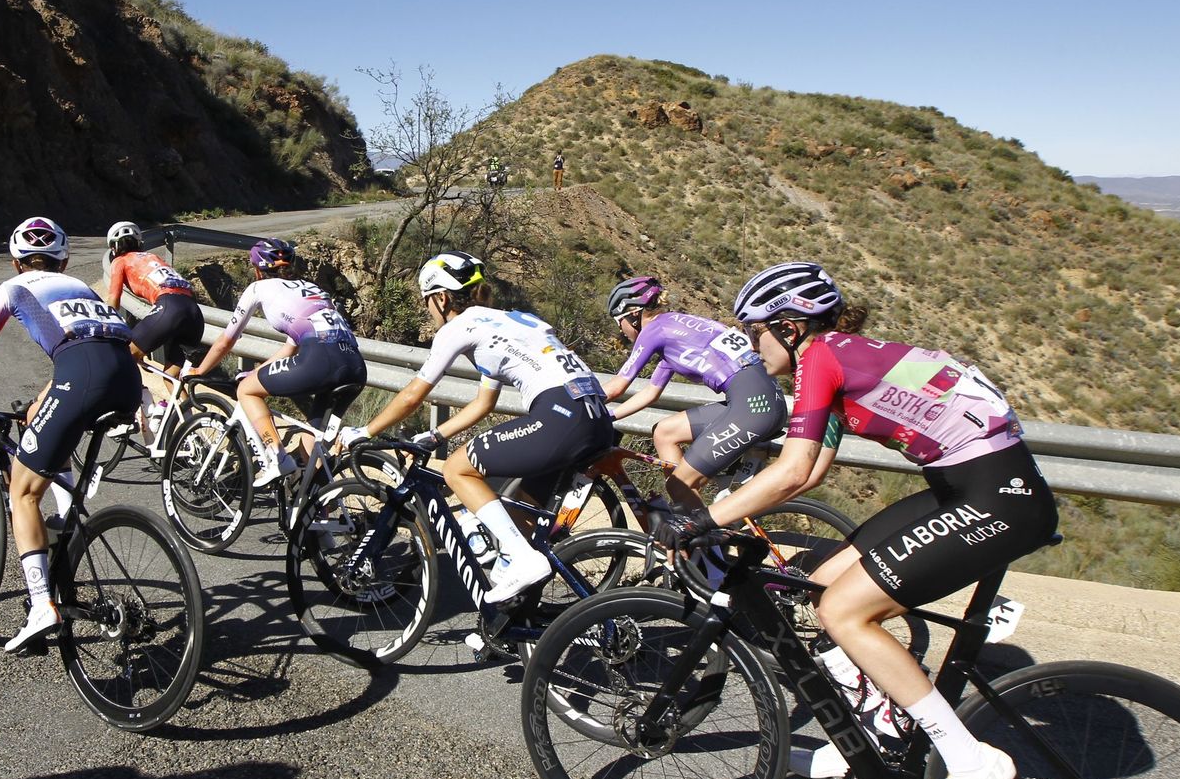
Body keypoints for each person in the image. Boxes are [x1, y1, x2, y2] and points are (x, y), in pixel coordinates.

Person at [656, 261, 1058, 779]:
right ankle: (867, 728)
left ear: (789, 328)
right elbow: (812, 468)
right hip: (968, 485)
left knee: (844, 613)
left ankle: (970, 761)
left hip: (996, 497)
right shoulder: (839, 357)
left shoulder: (822, 358)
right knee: (820, 584)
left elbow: (793, 472)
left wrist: (702, 519)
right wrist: (734, 504)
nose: (749, 347)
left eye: (753, 334)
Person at [0, 217, 140, 654]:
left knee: (21, 490)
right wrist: (44, 398)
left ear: (17, 262)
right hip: (126, 379)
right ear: (64, 259)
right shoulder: (82, 287)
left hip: (84, 376)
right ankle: (66, 523)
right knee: (47, 437)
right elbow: (91, 348)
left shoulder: (13, 289)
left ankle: (41, 605)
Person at [341, 251, 613, 603]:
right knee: (519, 515)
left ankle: (524, 562)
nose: (429, 310)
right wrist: (437, 434)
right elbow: (484, 403)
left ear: (440, 297)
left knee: (458, 469)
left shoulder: (460, 327)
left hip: (562, 415)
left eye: (428, 302)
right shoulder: (510, 322)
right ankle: (511, 614)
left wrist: (365, 431)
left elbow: (412, 395)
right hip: (596, 416)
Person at [185, 238, 366, 486]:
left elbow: (226, 342)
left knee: (246, 391)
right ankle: (322, 507)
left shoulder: (258, 288)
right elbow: (291, 347)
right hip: (355, 366)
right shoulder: (312, 288)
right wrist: (258, 371)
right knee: (310, 441)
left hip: (320, 361)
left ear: (258, 269)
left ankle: (276, 459)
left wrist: (200, 369)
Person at [600, 276, 786, 511]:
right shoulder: (675, 329)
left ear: (633, 314)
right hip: (762, 400)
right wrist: (610, 417)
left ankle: (692, 523)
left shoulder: (654, 329)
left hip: (754, 405)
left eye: (619, 322)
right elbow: (650, 393)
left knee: (681, 485)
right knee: (665, 432)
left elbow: (617, 386)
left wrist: (577, 403)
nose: (621, 330)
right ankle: (685, 510)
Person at [102, 220, 204, 432]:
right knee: (172, 377)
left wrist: (103, 324)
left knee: (125, 356)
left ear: (113, 247)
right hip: (194, 312)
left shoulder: (120, 261)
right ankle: (194, 432)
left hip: (169, 307)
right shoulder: (154, 257)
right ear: (140, 243)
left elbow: (113, 299)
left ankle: (134, 412)